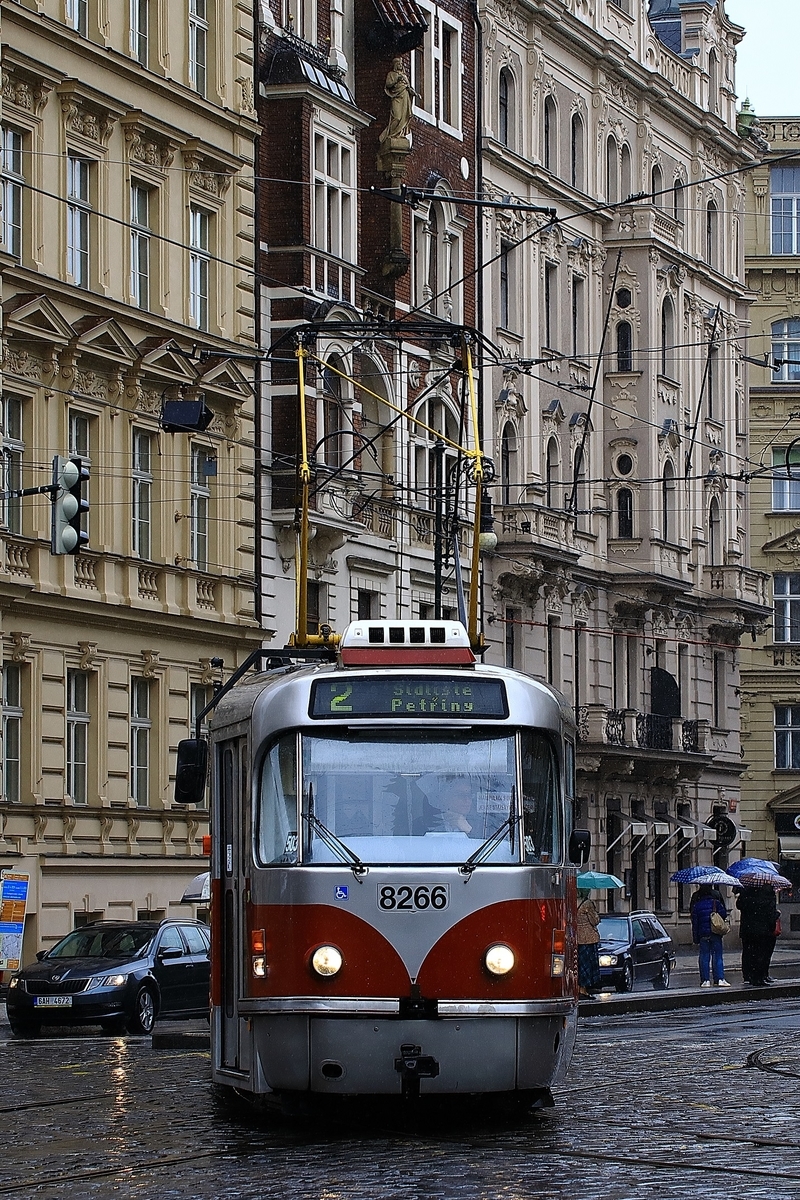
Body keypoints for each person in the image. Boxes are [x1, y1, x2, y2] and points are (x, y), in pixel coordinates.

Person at [736, 882, 779, 986]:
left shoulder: (747, 894)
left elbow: (740, 906)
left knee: (748, 952)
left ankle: (748, 975)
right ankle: (759, 977)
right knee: (761, 954)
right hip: (763, 931)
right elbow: (771, 916)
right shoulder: (768, 897)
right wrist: (777, 914)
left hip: (748, 929)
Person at [690, 883, 730, 988]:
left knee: (704, 956)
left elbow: (695, 922)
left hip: (703, 934)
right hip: (715, 932)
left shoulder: (697, 905)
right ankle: (720, 978)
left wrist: (695, 937)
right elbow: (724, 914)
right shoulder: (716, 902)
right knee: (717, 955)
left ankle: (705, 980)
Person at [379, 58, 415, 143]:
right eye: (398, 64)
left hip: (405, 97)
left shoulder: (404, 76)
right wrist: (396, 80)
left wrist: (412, 92)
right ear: (395, 65)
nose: (400, 65)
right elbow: (388, 84)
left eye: (401, 64)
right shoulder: (391, 74)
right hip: (397, 97)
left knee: (404, 117)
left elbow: (408, 87)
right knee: (397, 117)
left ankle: (400, 134)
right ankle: (391, 134)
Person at [576, 890, 601, 998]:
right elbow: (594, 920)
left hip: (577, 937)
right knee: (588, 965)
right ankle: (583, 989)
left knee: (579, 964)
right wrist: (596, 914)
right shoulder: (588, 904)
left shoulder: (573, 902)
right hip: (588, 939)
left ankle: (579, 988)